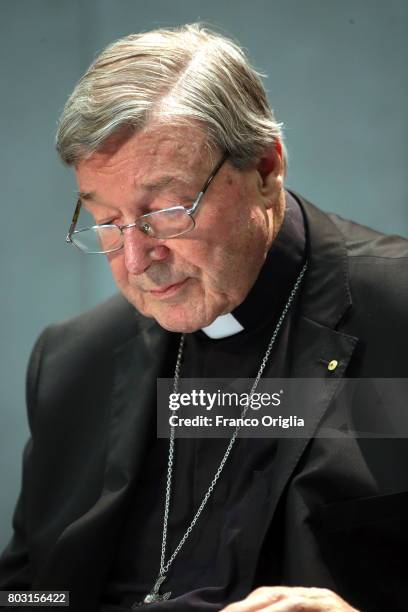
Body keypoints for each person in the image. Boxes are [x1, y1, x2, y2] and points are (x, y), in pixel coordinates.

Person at [1, 23, 407, 612]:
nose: (137, 259)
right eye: (107, 221)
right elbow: (31, 596)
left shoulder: (398, 318)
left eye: (165, 211)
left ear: (266, 170)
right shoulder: (72, 363)